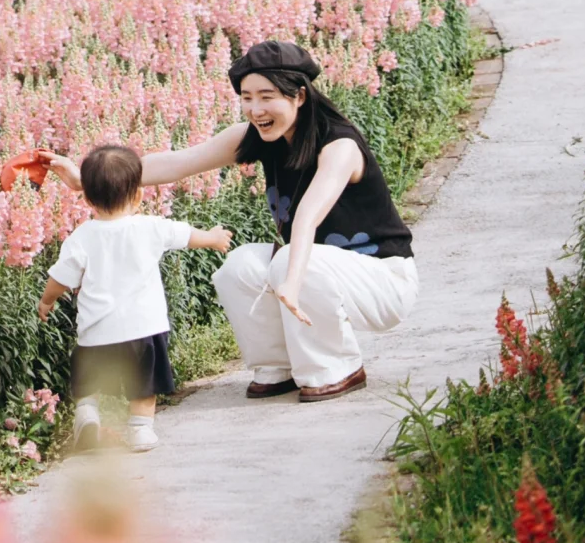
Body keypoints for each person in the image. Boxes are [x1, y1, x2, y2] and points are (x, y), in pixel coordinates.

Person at [46, 40, 418, 403]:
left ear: (299, 95)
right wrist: (86, 179)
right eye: (247, 97)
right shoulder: (259, 137)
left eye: (267, 96)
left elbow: (306, 217)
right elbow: (179, 162)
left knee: (287, 259)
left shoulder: (339, 146)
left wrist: (289, 280)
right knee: (238, 266)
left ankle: (336, 367)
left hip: (382, 278)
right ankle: (277, 366)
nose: (255, 109)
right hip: (318, 269)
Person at [37, 143, 232, 452]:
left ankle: (87, 413)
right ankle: (140, 430)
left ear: (86, 199)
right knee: (144, 385)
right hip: (144, 328)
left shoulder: (81, 237)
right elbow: (185, 235)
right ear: (139, 195)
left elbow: (59, 278)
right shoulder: (150, 227)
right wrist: (213, 238)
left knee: (89, 380)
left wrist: (47, 301)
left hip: (96, 333)